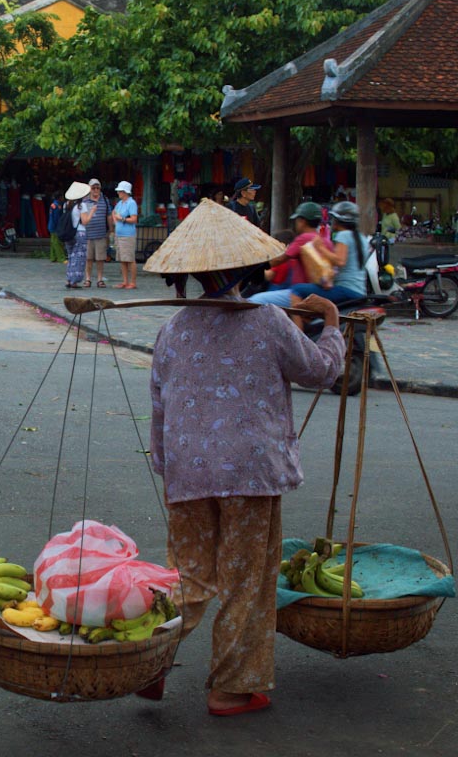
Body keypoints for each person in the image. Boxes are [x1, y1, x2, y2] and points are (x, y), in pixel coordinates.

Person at [144, 202, 346, 709]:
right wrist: (333, 323)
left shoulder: (173, 331)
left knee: (188, 575)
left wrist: (168, 469)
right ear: (244, 271)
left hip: (188, 472)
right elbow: (320, 371)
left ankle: (148, 660)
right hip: (250, 474)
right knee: (245, 580)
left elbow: (159, 408)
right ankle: (232, 690)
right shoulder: (269, 322)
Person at [250, 201, 369, 308]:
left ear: (302, 221)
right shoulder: (359, 238)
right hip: (357, 289)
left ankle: (297, 330)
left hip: (341, 289)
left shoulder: (312, 238)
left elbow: (340, 261)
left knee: (258, 299)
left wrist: (257, 265)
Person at [79, 178, 112, 287]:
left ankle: (99, 279)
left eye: (98, 187)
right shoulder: (85, 201)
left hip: (101, 233)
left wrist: (111, 230)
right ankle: (87, 278)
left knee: (100, 258)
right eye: (93, 188)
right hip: (87, 234)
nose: (96, 190)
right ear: (90, 189)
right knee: (88, 258)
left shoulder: (105, 200)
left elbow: (109, 216)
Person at [62, 181, 90, 288]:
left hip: (69, 233)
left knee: (71, 256)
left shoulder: (66, 205)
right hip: (80, 232)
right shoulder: (81, 205)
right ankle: (74, 280)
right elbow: (85, 221)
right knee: (78, 257)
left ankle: (69, 279)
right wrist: (91, 212)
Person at [112, 180, 139, 289]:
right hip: (119, 233)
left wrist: (122, 219)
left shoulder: (131, 203)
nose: (118, 193)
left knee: (130, 258)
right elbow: (114, 213)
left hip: (128, 234)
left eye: (120, 191)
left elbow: (134, 219)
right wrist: (115, 221)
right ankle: (125, 280)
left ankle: (132, 282)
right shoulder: (120, 203)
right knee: (122, 258)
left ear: (125, 192)